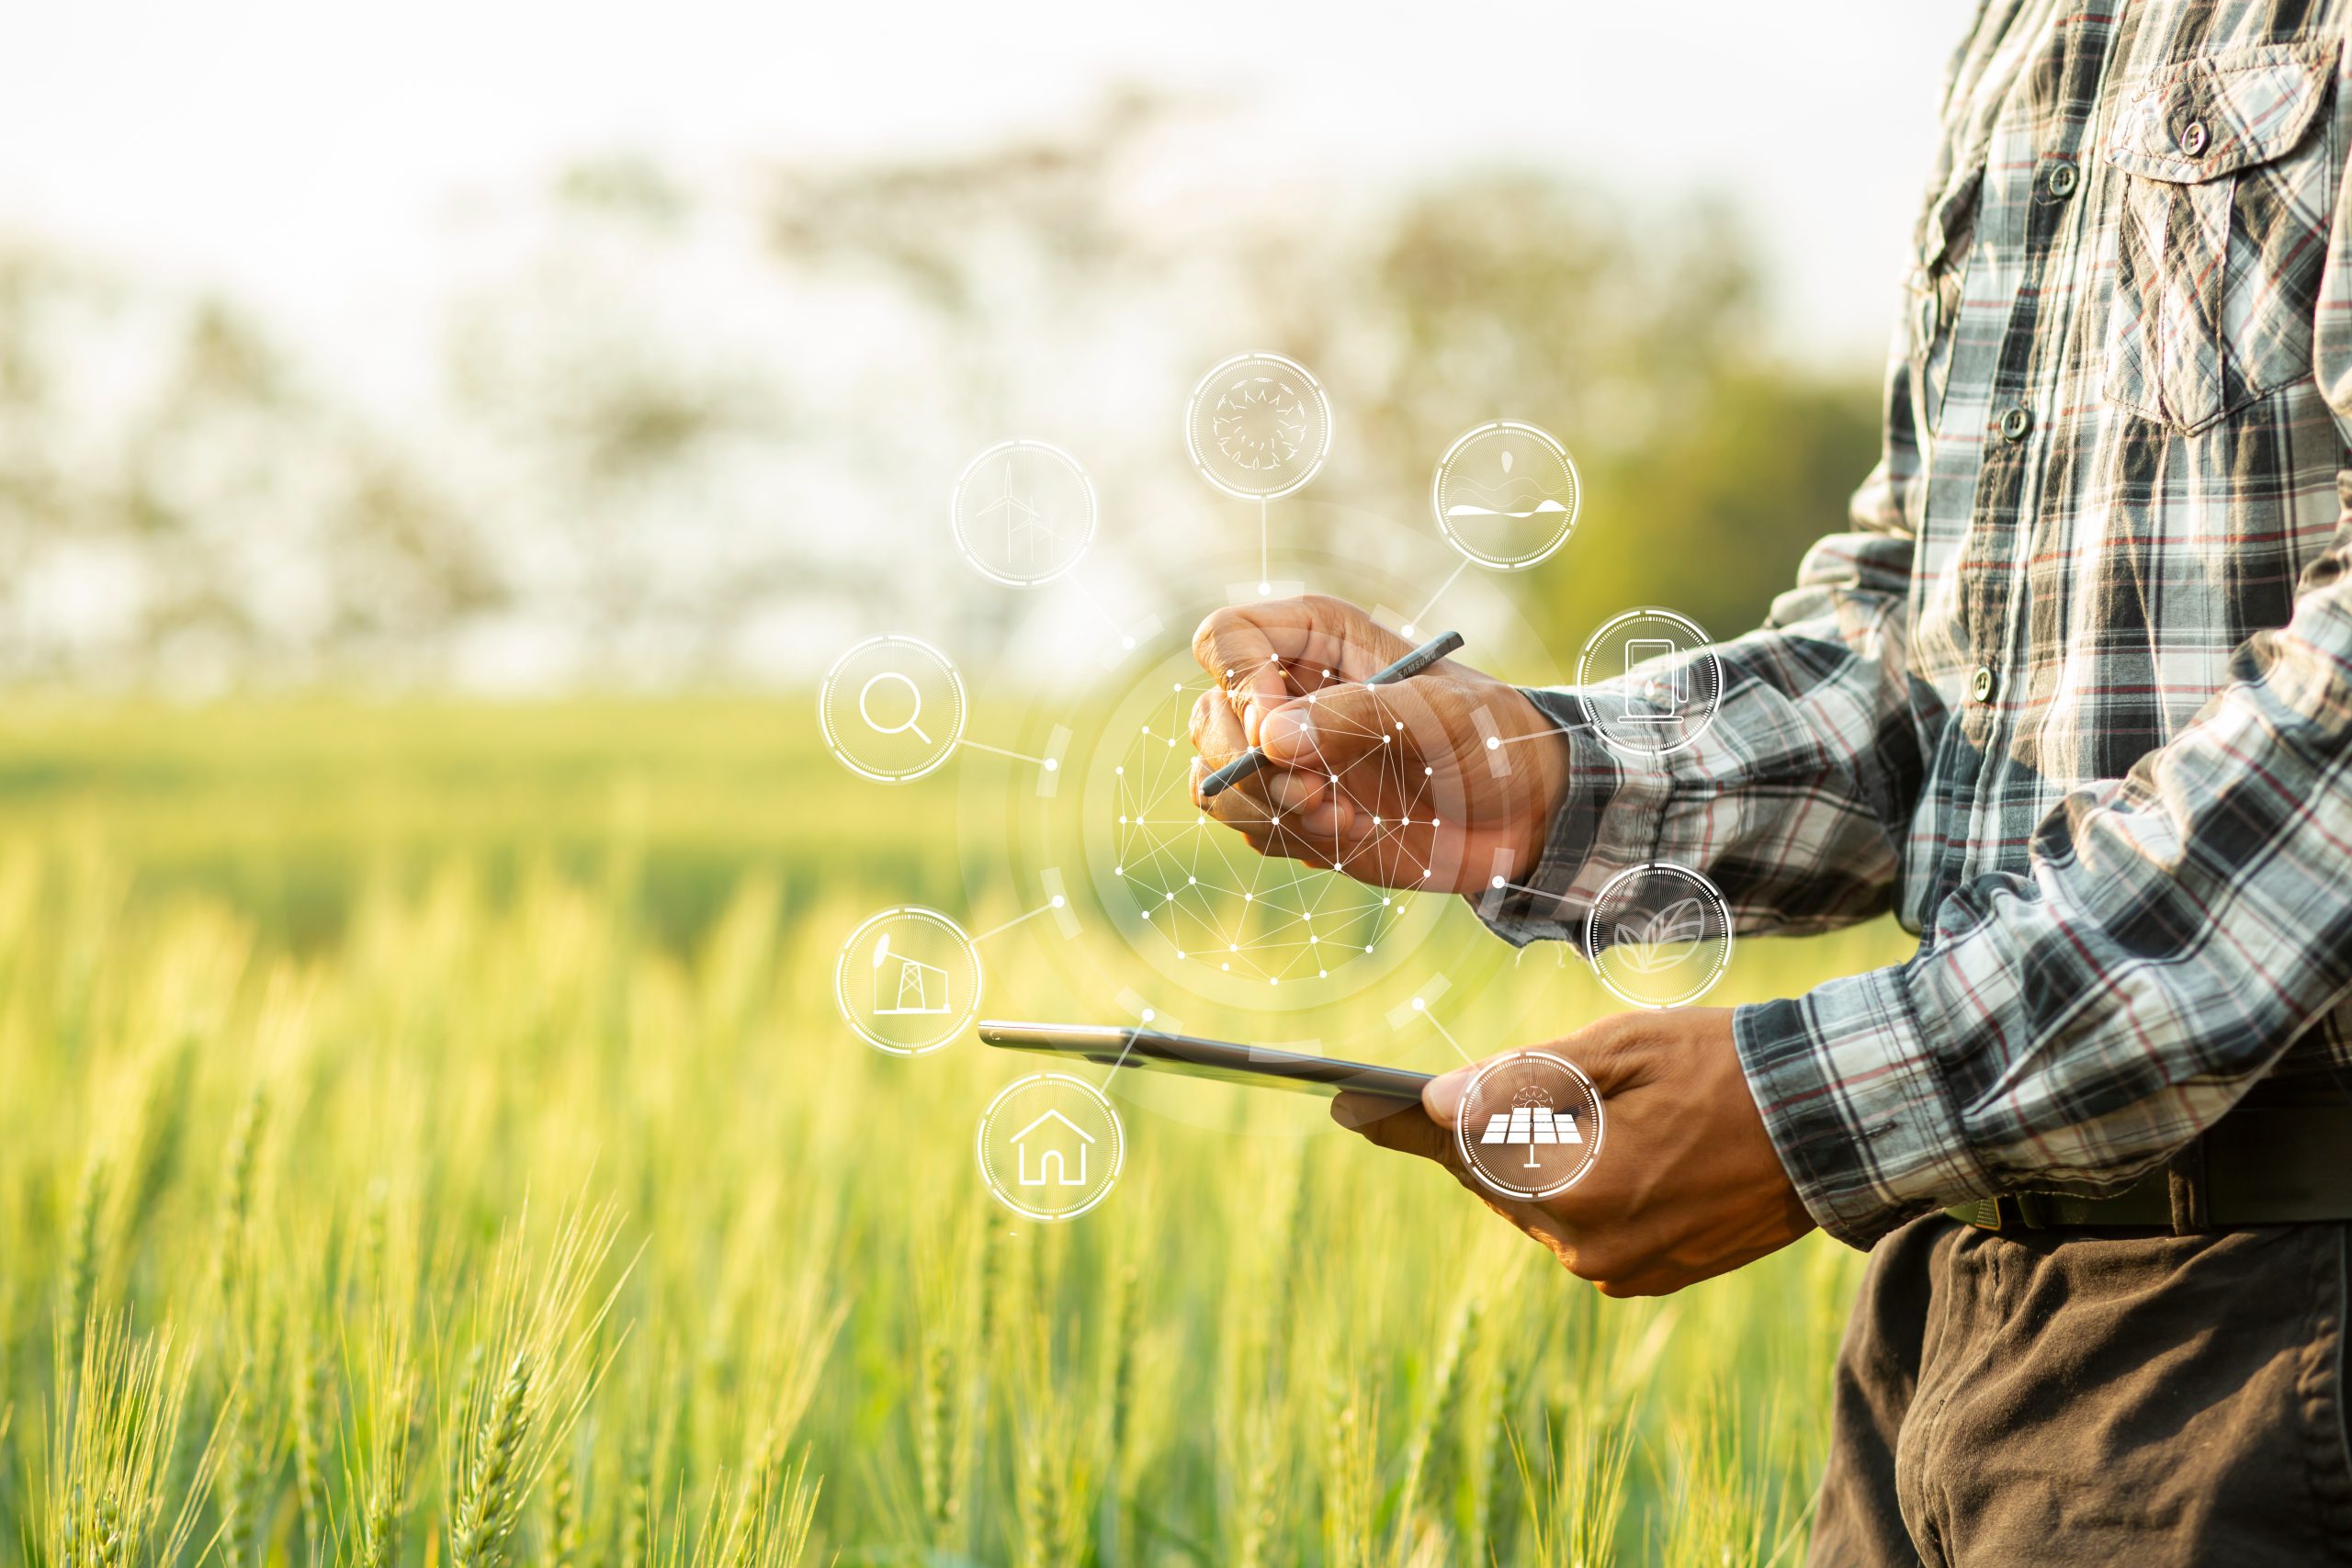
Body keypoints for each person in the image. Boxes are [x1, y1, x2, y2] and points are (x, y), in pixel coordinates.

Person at [1185, 7, 2352, 1562]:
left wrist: (1828, 1102)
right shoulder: (2031, 32)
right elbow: (1933, 646)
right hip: (1964, 1320)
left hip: (2295, 1323)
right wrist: (1538, 773)